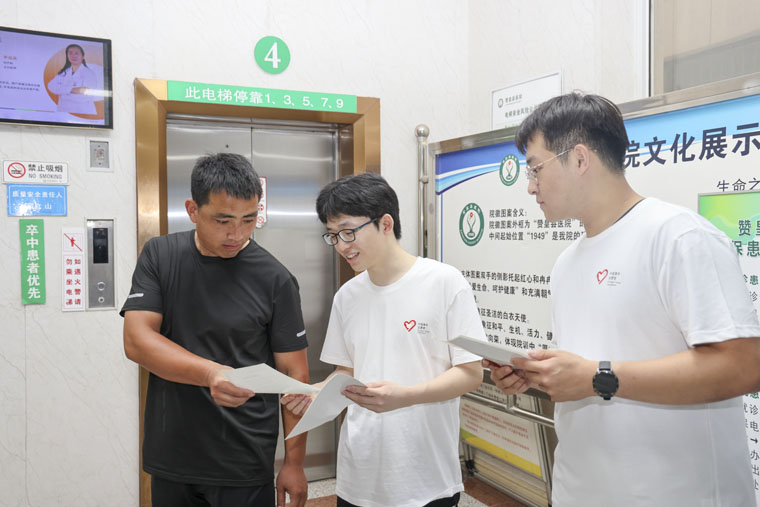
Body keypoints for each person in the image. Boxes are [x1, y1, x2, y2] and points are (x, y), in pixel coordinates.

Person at [485, 92, 760, 506]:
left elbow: (744, 365)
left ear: (579, 159)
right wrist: (538, 375)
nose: (530, 187)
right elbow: (588, 365)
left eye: (535, 169)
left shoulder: (679, 237)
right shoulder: (566, 263)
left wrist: (597, 377)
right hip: (582, 490)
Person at [282, 173, 484, 507]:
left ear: (385, 223)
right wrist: (316, 393)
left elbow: (470, 373)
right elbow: (346, 372)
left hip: (427, 476)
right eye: (333, 235)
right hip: (359, 474)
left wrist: (407, 396)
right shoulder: (347, 296)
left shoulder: (444, 282)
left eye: (348, 232)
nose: (342, 245)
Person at [121, 153, 310, 507]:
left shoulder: (275, 278)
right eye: (223, 220)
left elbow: (294, 376)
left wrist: (294, 463)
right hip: (173, 452)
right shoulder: (160, 256)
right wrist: (211, 374)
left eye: (249, 219)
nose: (236, 234)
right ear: (193, 210)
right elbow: (137, 340)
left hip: (244, 457)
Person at [47, 44, 100, 114]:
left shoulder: (89, 73)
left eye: (76, 53)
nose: (73, 56)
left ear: (83, 56)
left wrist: (62, 93)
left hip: (83, 112)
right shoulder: (64, 72)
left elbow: (85, 97)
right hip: (63, 110)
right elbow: (51, 86)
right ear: (67, 56)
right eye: (70, 53)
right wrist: (72, 90)